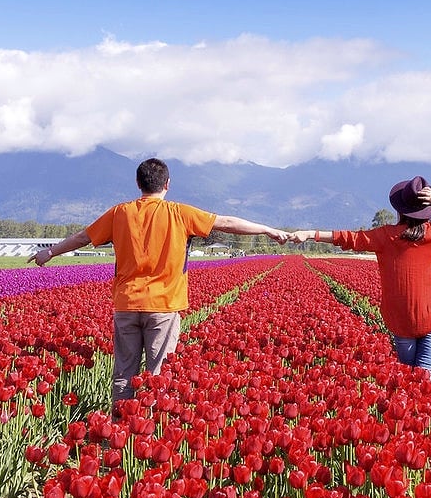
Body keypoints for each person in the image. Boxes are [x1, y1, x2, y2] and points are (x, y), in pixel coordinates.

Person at [29, 157, 288, 414]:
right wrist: (266, 229)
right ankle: (149, 431)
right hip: (163, 306)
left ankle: (118, 428)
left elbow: (83, 237)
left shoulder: (120, 213)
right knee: (158, 373)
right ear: (167, 184)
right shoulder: (179, 213)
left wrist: (50, 252)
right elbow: (227, 223)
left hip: (127, 304)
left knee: (124, 373)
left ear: (138, 183)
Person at [289, 176, 431, 379]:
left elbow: (348, 238)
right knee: (424, 373)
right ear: (428, 209)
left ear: (400, 210)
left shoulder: (386, 236)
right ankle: (426, 407)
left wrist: (310, 233)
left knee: (408, 375)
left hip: (400, 318)